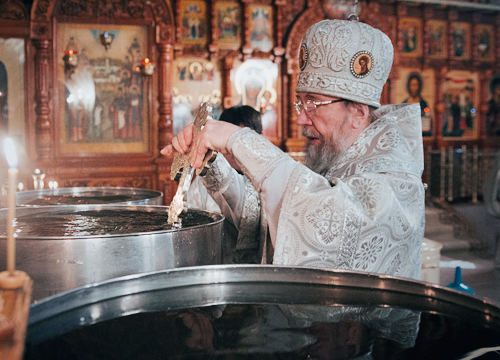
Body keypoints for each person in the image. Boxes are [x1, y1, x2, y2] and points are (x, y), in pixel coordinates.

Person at [162, 17, 425, 280]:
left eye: (314, 104)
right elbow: (280, 221)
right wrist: (212, 164)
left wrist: (238, 138)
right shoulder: (340, 156)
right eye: (301, 103)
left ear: (357, 112)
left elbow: (324, 226)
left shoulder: (396, 179)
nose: (300, 118)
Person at [187, 105, 265, 263]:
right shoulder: (206, 180)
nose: (234, 152)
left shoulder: (270, 180)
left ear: (260, 139)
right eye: (228, 144)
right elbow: (191, 222)